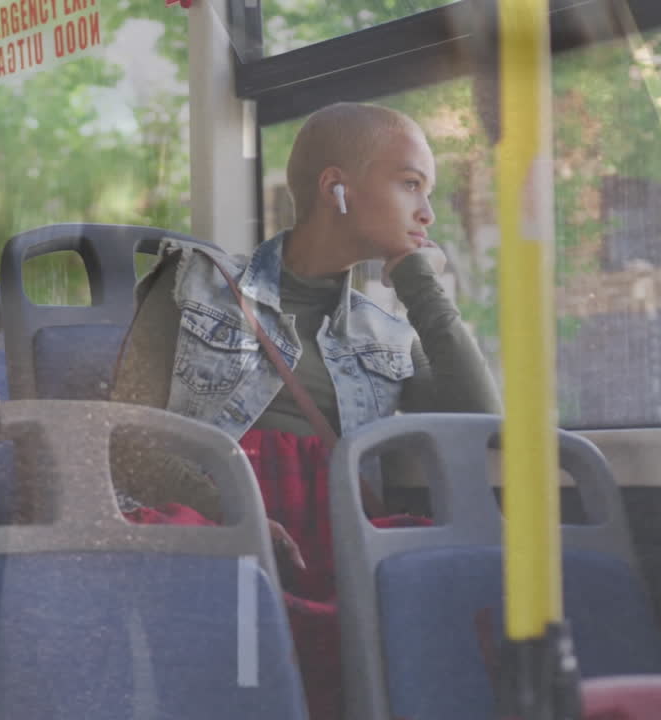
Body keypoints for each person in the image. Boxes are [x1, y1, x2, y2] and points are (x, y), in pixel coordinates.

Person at [110, 101, 501, 719]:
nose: (427, 212)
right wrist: (236, 512)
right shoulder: (194, 283)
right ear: (335, 187)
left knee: (458, 567)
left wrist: (420, 285)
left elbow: (482, 424)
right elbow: (126, 442)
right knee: (214, 571)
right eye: (410, 185)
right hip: (214, 516)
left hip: (333, 533)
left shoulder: (385, 333)